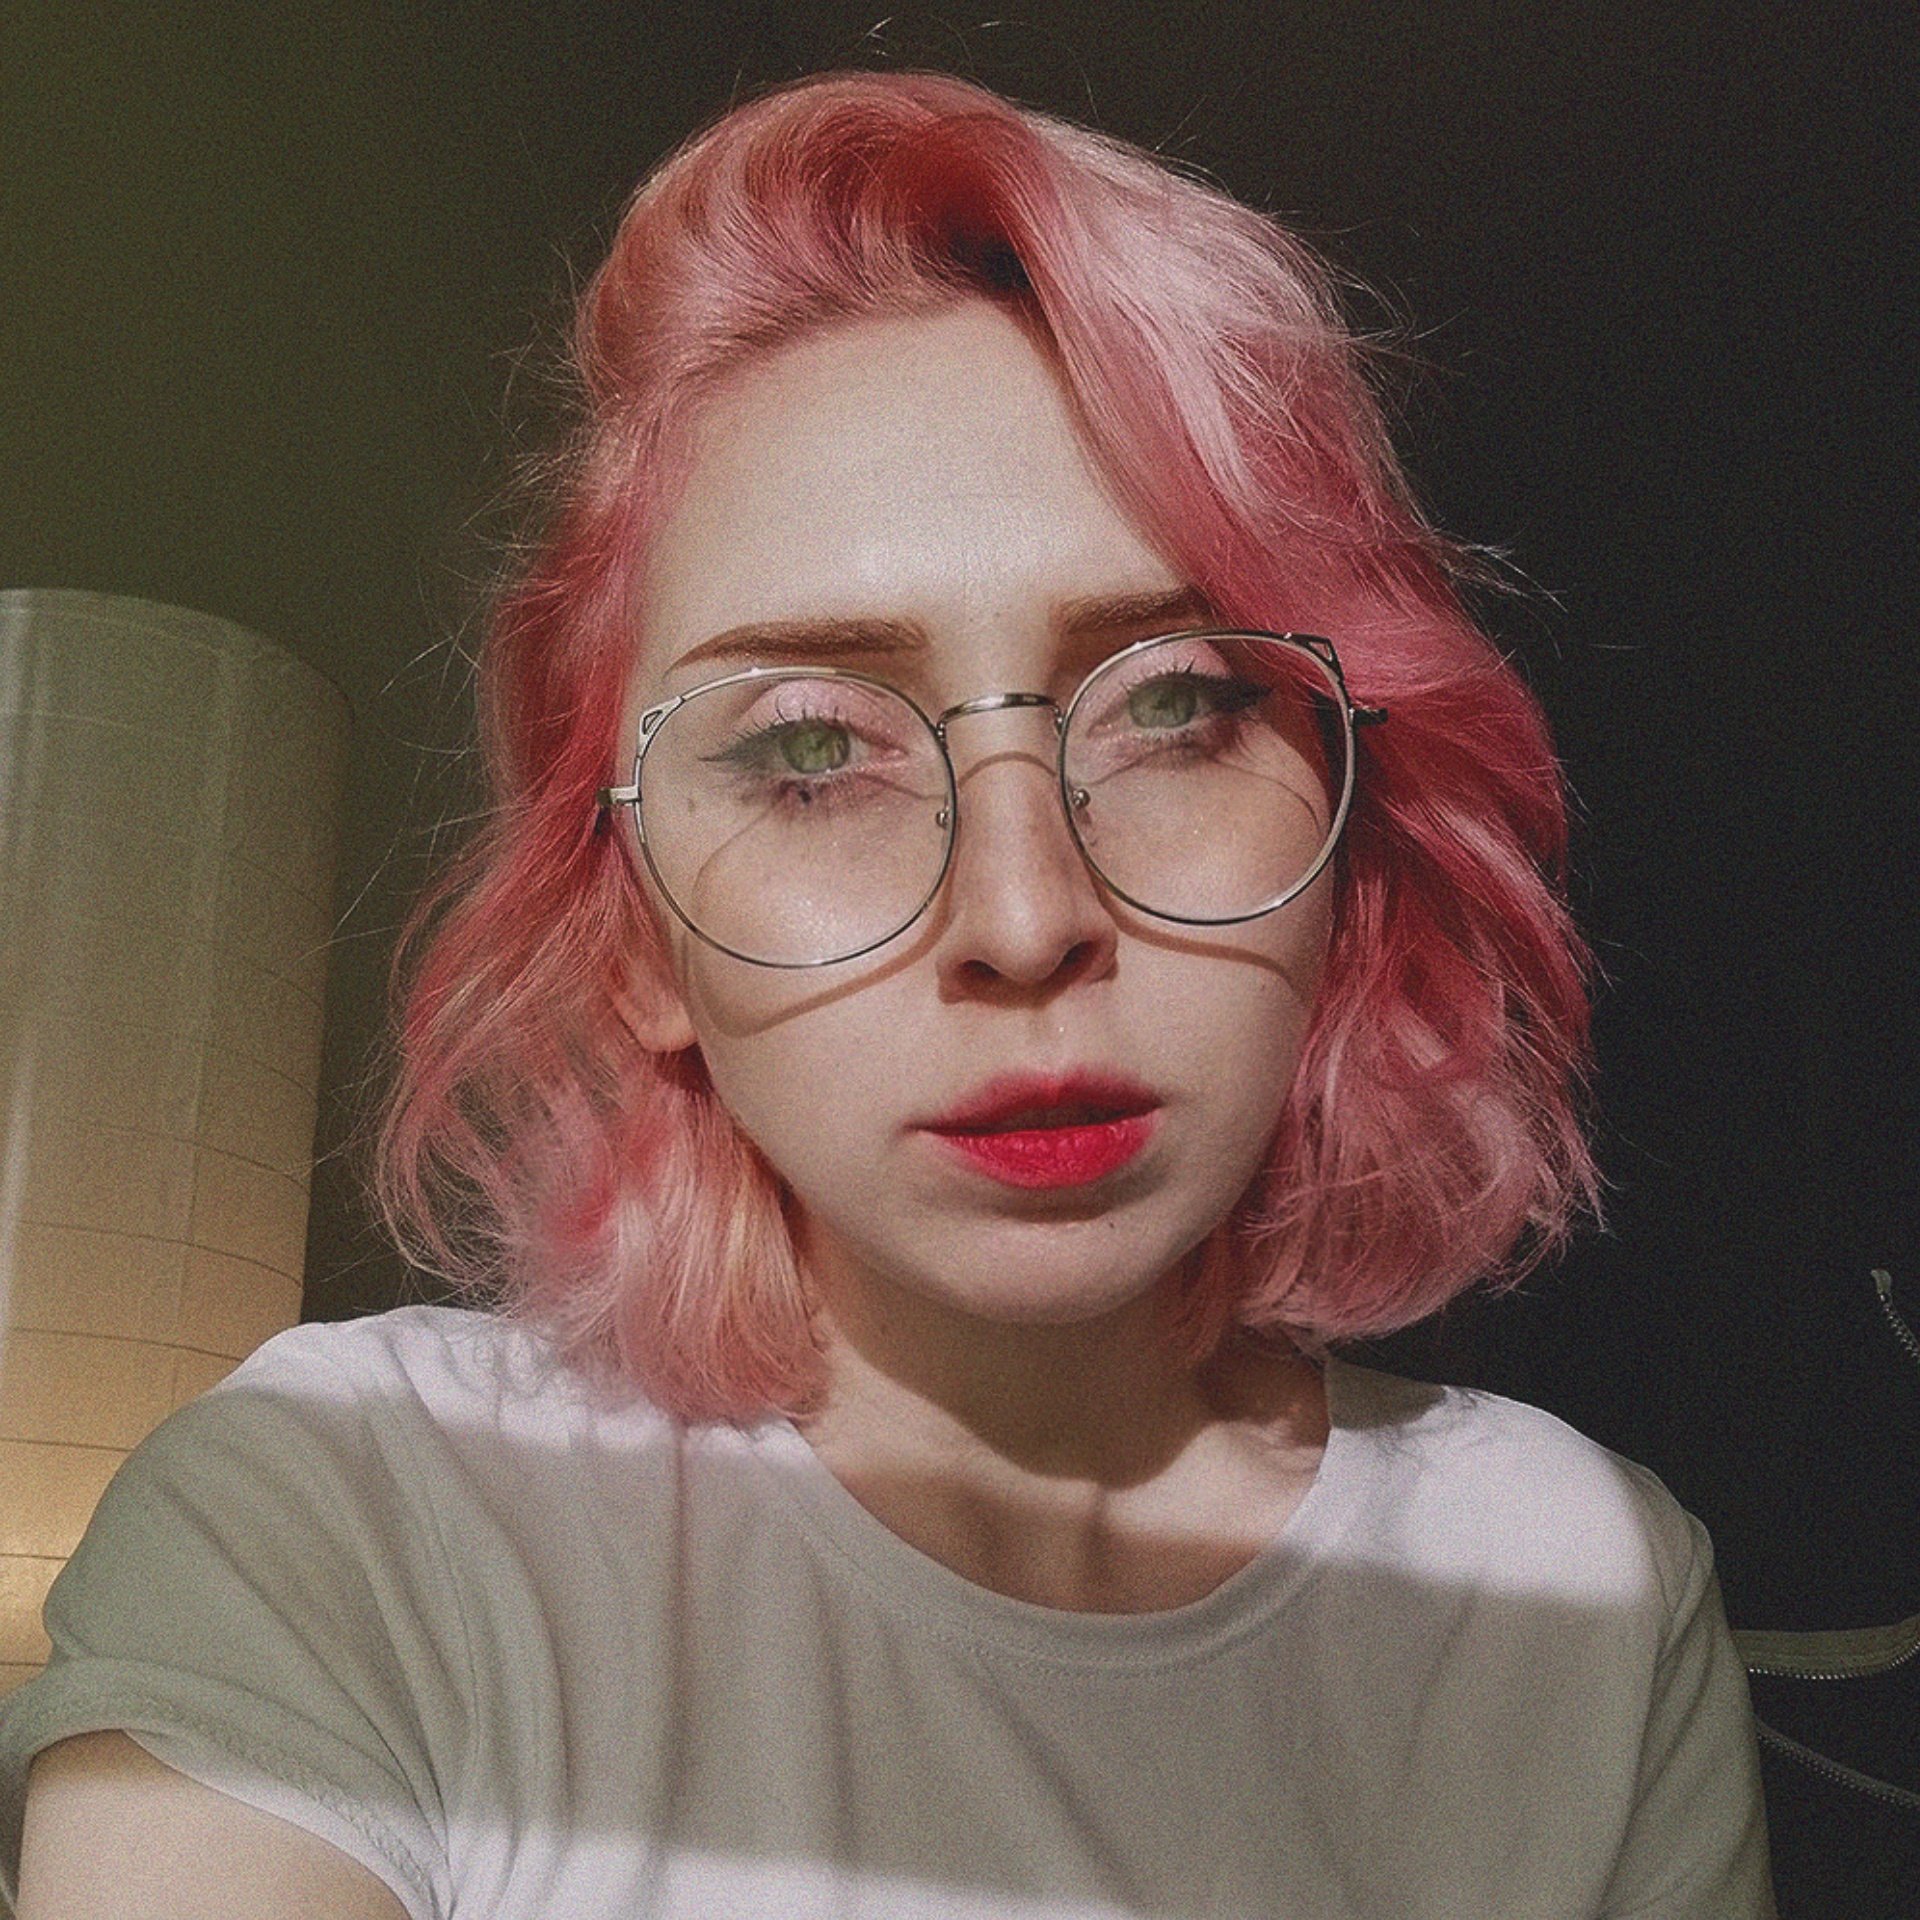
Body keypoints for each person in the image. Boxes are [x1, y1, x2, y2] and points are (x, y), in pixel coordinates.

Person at [0, 68, 1774, 1919]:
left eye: (1178, 705)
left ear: (1349, 817)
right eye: (806, 750)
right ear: (637, 936)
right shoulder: (347, 1521)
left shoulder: (1576, 1588)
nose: (1024, 914)